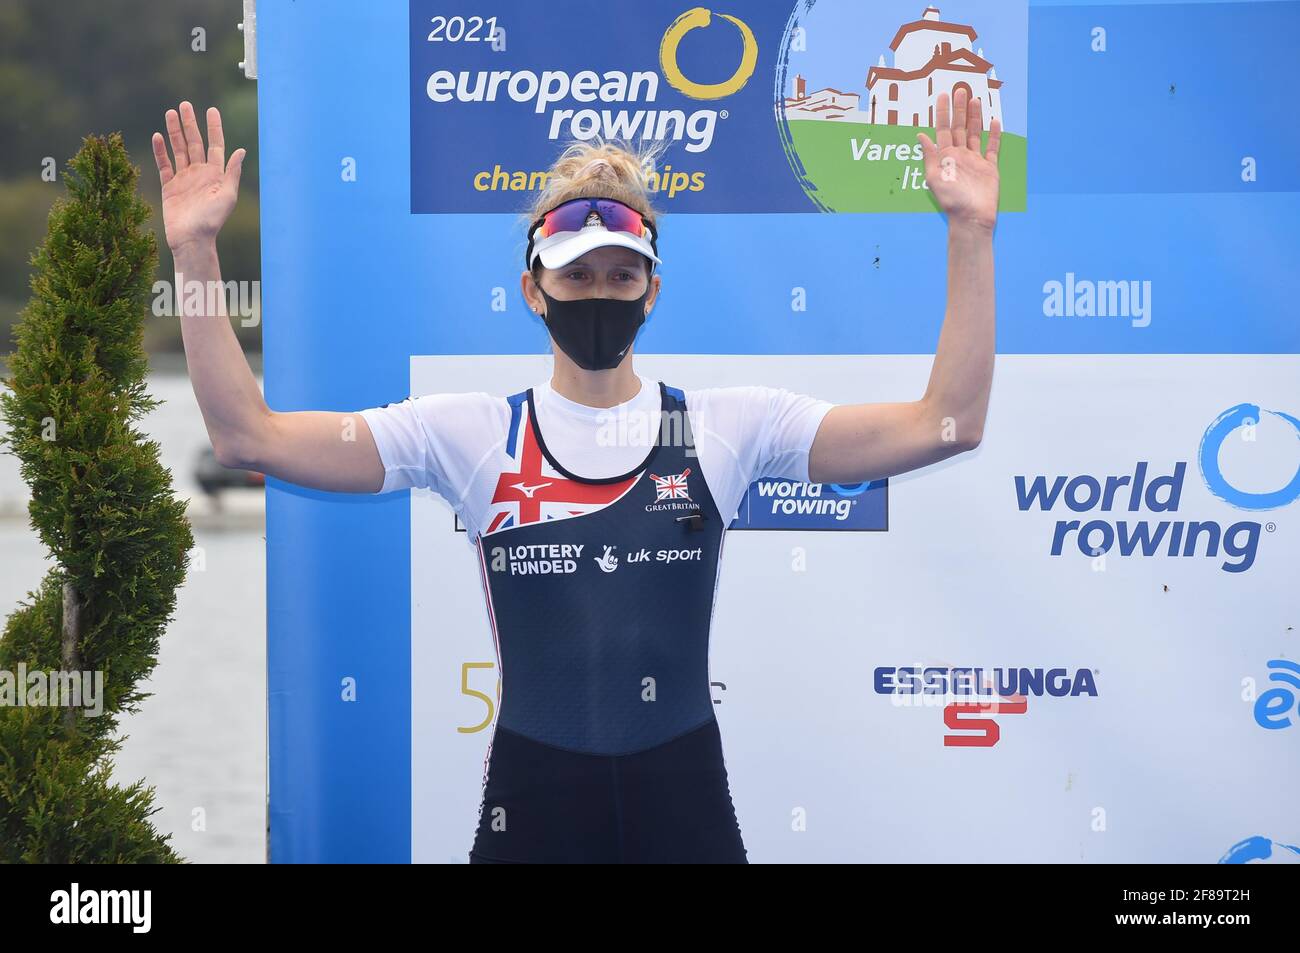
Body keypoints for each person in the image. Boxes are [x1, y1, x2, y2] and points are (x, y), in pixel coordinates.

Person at [152, 91, 1000, 863]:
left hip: (685, 807)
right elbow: (245, 436)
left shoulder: (725, 426)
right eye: (578, 275)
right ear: (533, 288)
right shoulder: (471, 433)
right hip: (535, 808)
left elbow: (946, 423)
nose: (601, 292)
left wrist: (970, 233)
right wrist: (194, 251)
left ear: (652, 290)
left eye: (621, 275)